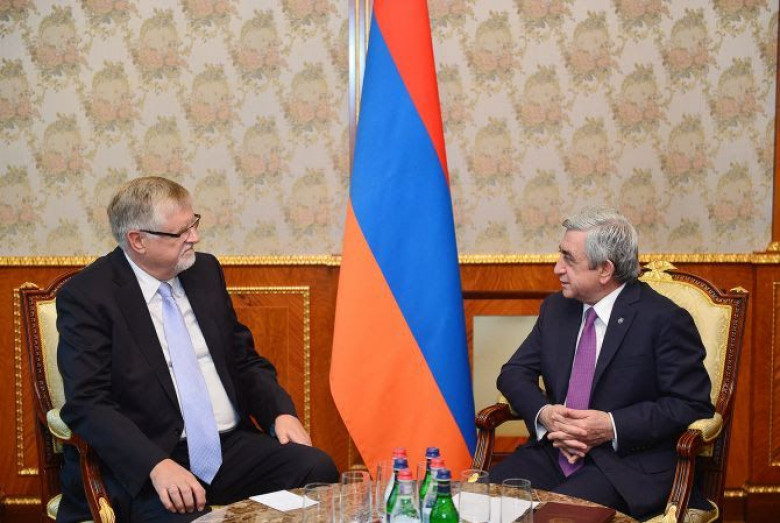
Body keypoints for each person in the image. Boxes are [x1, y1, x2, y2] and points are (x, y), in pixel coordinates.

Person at [56, 176, 338, 523]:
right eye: (181, 232)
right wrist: (155, 465)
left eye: (194, 224)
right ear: (138, 240)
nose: (195, 237)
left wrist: (280, 413)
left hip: (228, 448)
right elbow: (88, 402)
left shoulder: (203, 271)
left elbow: (243, 360)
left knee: (315, 469)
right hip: (149, 459)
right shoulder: (89, 296)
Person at [490, 208, 713, 519]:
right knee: (480, 505)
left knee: (552, 518)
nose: (557, 268)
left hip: (626, 467)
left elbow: (690, 404)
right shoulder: (557, 309)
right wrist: (546, 415)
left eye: (569, 259)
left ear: (605, 270)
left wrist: (610, 426)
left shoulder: (663, 319)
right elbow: (514, 372)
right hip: (555, 452)